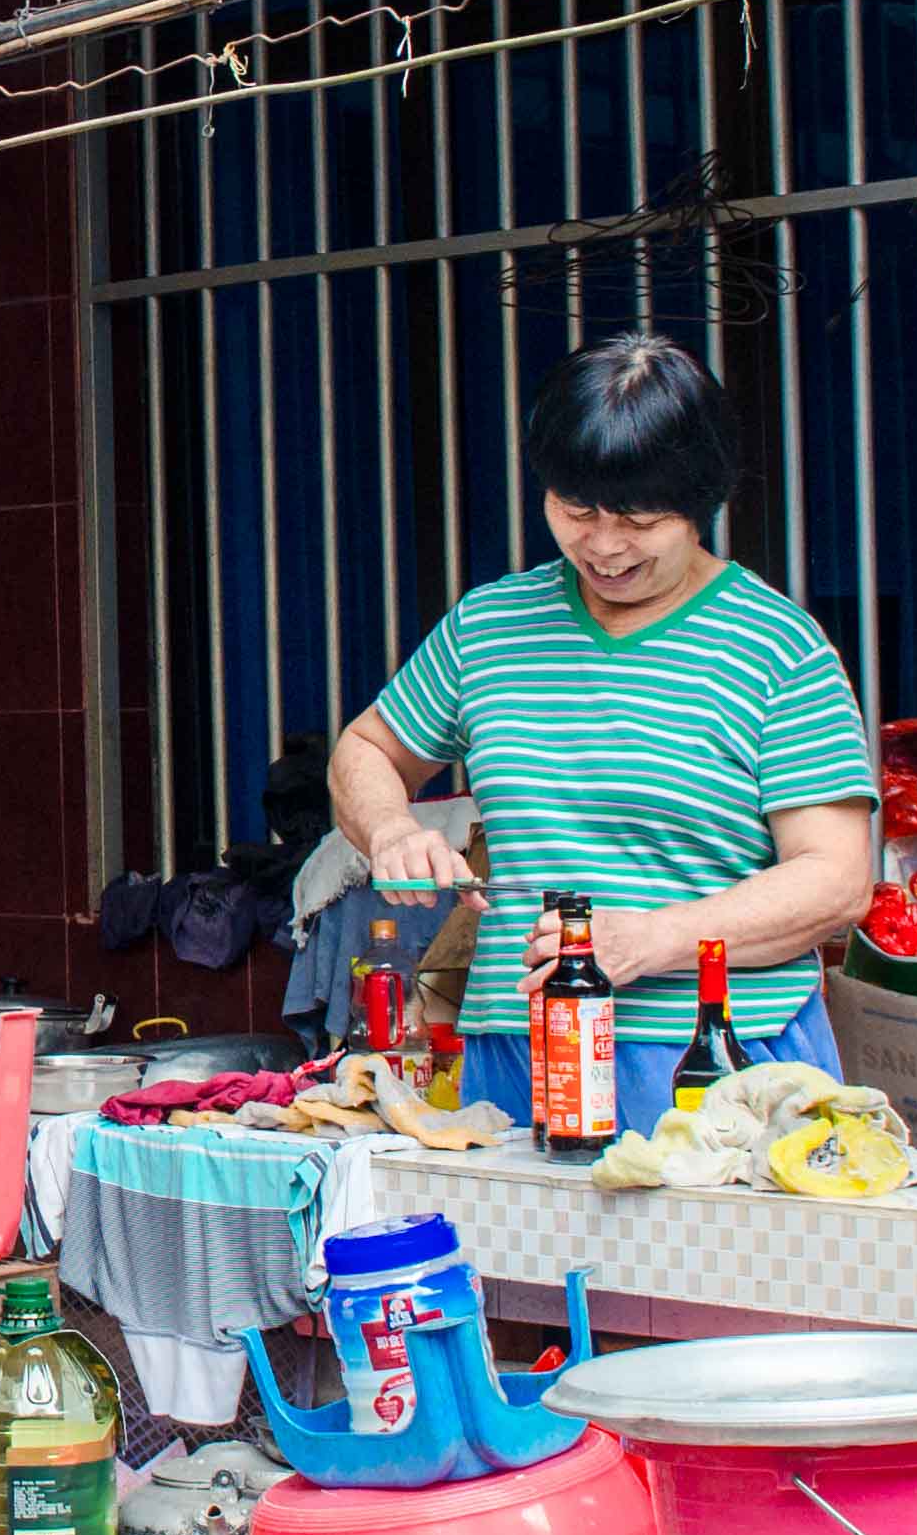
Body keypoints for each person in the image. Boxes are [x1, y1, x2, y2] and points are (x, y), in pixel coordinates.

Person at [327, 330, 883, 1111]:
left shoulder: (776, 645)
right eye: (576, 510)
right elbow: (366, 748)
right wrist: (388, 829)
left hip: (713, 1057)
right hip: (517, 1048)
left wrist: (647, 940)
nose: (606, 545)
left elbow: (836, 880)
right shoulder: (490, 625)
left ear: (700, 504)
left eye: (640, 518)